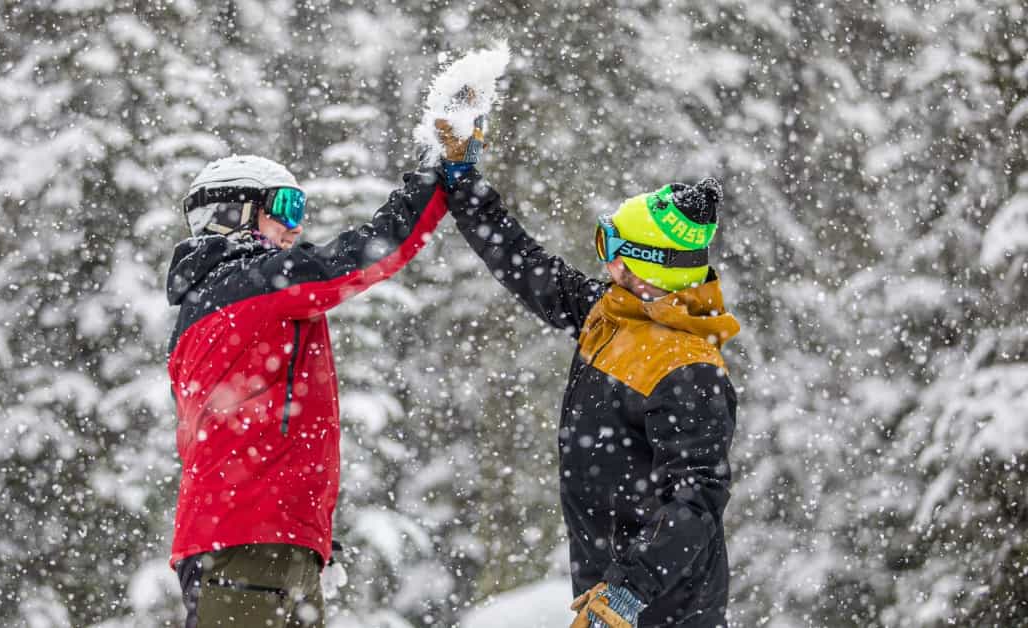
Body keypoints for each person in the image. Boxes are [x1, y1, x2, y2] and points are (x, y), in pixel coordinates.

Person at [164, 137, 477, 627]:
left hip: (272, 543)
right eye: (283, 209)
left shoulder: (223, 300)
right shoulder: (246, 283)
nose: (296, 226)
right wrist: (433, 181)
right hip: (245, 545)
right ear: (230, 215)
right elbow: (361, 256)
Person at [442, 152, 740, 627]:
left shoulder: (688, 369)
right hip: (603, 593)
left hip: (664, 611)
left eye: (612, 244)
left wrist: (630, 591)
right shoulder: (613, 316)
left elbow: (698, 499)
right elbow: (528, 266)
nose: (605, 259)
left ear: (646, 266)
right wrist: (463, 185)